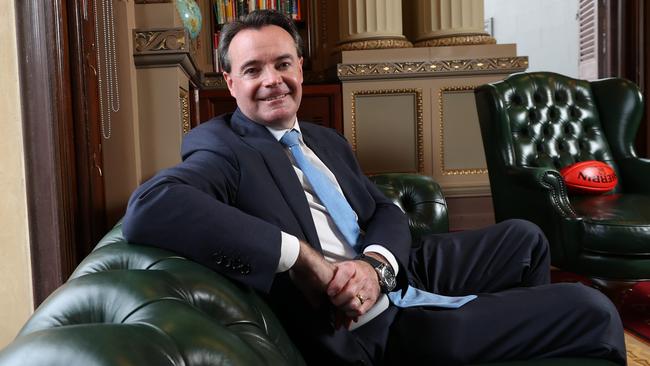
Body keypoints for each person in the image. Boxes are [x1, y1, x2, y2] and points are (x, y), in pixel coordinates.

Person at [123, 9, 626, 366]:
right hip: (365, 323)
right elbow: (151, 207)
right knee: (593, 309)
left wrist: (376, 264)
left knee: (524, 239)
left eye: (281, 64)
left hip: (390, 273)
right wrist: (300, 256)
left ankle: (509, 343)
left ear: (299, 67)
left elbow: (382, 208)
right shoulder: (221, 146)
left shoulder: (321, 137)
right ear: (229, 83)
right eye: (253, 70)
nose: (272, 80)